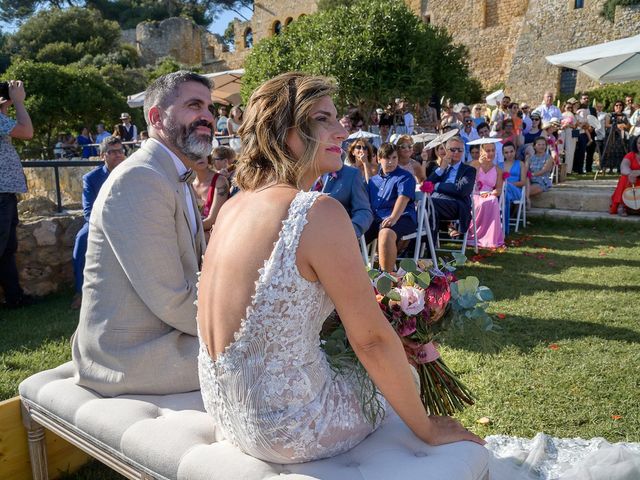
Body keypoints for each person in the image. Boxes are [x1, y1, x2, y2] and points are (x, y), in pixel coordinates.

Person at [197, 72, 483, 465]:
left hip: (225, 411)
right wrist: (427, 428)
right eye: (322, 119)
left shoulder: (232, 207)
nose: (341, 132)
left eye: (336, 119)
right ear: (283, 132)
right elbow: (371, 341)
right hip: (288, 427)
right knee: (406, 378)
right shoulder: (316, 211)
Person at [72, 71, 211, 396]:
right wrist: (237, 327)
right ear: (155, 118)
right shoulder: (139, 179)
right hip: (128, 354)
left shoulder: (175, 176)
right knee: (268, 355)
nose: (207, 116)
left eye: (210, 108)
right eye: (194, 105)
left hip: (169, 333)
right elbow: (171, 297)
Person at [71, 136, 126, 309]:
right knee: (81, 240)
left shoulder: (131, 173)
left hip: (128, 220)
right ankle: (80, 293)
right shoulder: (91, 179)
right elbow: (88, 211)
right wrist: (106, 225)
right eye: (112, 152)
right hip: (99, 222)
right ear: (103, 155)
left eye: (120, 151)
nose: (118, 155)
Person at [0, 79, 34, 309]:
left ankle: (15, 297)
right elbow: (27, 132)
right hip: (1, 194)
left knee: (6, 250)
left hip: (5, 193)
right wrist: (20, 103)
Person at [365, 142, 417, 271]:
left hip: (402, 218)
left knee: (386, 233)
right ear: (379, 159)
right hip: (376, 219)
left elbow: (403, 198)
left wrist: (393, 217)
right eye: (387, 158)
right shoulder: (373, 180)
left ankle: (386, 278)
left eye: (394, 158)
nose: (391, 162)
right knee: (350, 232)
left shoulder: (405, 177)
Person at [427, 136, 477, 239]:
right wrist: (441, 168)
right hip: (437, 203)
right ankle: (429, 245)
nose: (456, 152)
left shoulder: (469, 170)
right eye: (453, 149)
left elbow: (462, 190)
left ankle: (425, 245)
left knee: (427, 204)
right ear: (446, 151)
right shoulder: (440, 169)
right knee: (428, 208)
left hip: (456, 204)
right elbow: (427, 185)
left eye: (460, 150)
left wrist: (437, 186)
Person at [318, 163, 373, 239]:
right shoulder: (301, 171)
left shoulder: (351, 174)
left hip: (333, 238)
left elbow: (364, 211)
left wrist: (348, 231)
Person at [468, 141, 504, 249]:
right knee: (481, 202)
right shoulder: (474, 164)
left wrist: (490, 193)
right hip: (474, 193)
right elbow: (469, 181)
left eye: (493, 150)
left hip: (489, 194)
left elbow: (499, 189)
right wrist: (478, 165)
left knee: (493, 200)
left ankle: (490, 238)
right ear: (481, 151)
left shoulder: (498, 169)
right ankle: (474, 235)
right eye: (488, 150)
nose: (491, 153)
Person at [610, 135, 640, 216]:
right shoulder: (631, 155)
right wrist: (631, 174)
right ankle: (623, 205)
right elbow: (623, 167)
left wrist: (638, 172)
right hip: (632, 182)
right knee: (624, 177)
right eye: (639, 143)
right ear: (636, 144)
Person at [501, 141, 527, 234]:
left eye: (511, 151)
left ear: (515, 151)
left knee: (504, 187)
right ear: (503, 154)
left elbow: (523, 182)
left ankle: (503, 226)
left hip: (516, 191)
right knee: (505, 196)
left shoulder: (520, 164)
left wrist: (509, 184)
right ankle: (504, 228)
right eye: (506, 152)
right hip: (504, 192)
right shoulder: (499, 165)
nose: (509, 154)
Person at [603, 100, 630, 173]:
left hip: (621, 136)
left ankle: (620, 168)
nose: (618, 106)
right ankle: (610, 169)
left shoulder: (624, 115)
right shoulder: (609, 114)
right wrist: (617, 125)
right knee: (610, 151)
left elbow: (628, 126)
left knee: (621, 151)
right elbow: (606, 124)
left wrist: (625, 125)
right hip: (611, 135)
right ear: (614, 106)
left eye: (620, 105)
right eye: (617, 105)